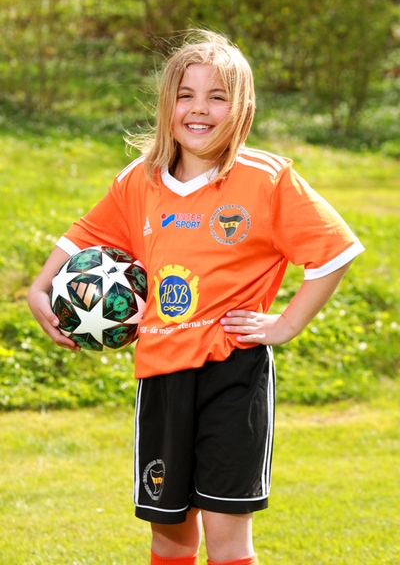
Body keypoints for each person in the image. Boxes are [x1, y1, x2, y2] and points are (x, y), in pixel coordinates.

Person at [28, 30, 365, 565]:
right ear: (168, 105)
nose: (199, 109)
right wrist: (40, 286)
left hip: (233, 372)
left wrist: (286, 324)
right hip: (161, 376)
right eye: (185, 95)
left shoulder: (266, 179)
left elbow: (335, 250)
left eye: (218, 96)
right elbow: (85, 236)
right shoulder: (139, 180)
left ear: (243, 108)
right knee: (170, 538)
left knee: (227, 538)